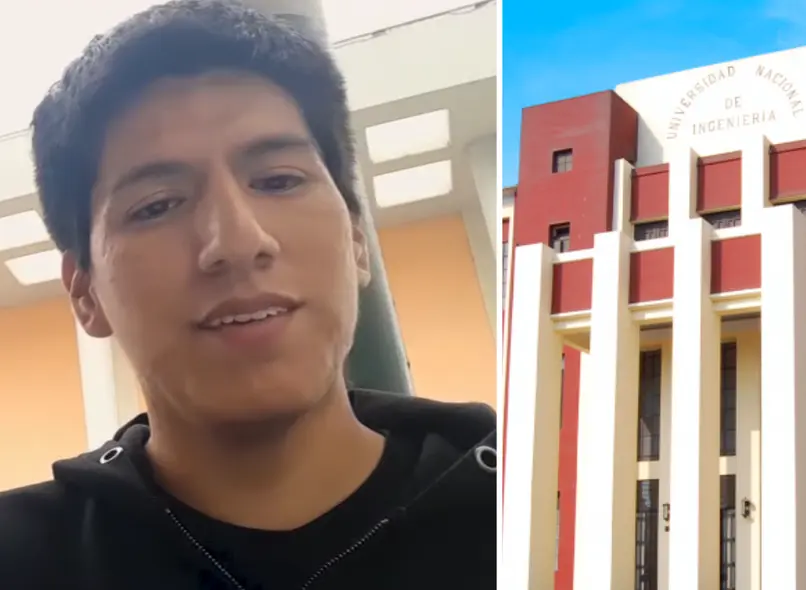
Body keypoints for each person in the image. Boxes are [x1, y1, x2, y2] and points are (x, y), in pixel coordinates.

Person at [0, 1, 497, 588]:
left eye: (279, 180)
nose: (237, 242)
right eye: (157, 205)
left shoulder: (546, 506)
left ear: (358, 241)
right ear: (85, 293)